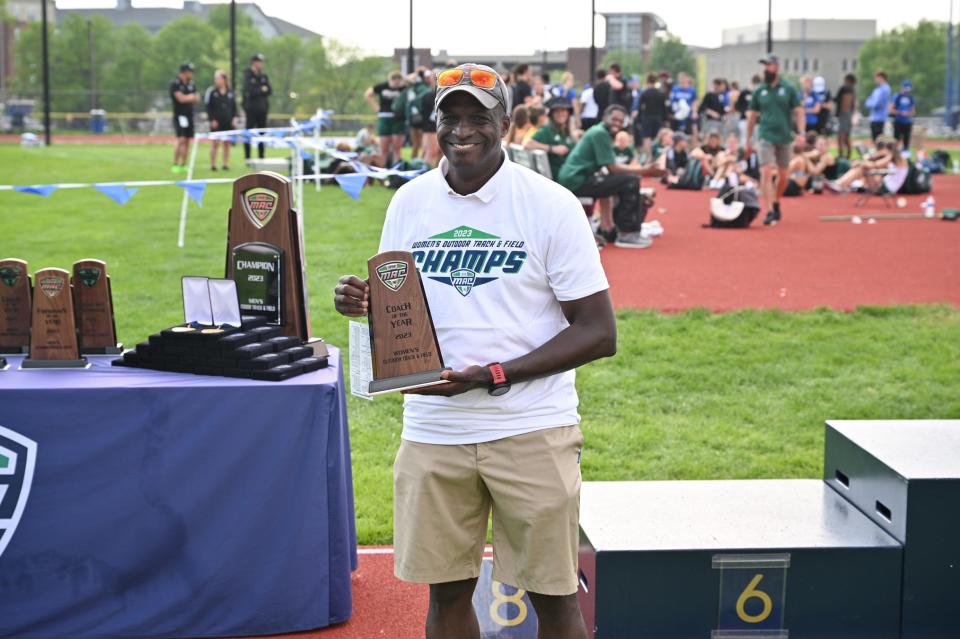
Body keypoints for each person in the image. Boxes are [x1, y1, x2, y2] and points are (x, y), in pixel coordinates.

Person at [333, 62, 616, 639]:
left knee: (556, 599)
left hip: (530, 426)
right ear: (435, 123)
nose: (463, 129)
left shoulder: (550, 204)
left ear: (506, 124)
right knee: (446, 599)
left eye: (478, 118)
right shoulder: (409, 202)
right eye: (451, 117)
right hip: (435, 427)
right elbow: (401, 304)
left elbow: (597, 331)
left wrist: (494, 374)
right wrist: (366, 305)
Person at [557, 105, 667, 249]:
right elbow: (612, 168)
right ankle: (627, 233)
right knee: (630, 181)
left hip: (576, 179)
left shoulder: (601, 132)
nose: (617, 123)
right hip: (576, 181)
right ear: (605, 118)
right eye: (614, 119)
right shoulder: (600, 133)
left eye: (621, 121)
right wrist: (646, 170)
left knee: (624, 180)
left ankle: (614, 229)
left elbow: (610, 168)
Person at [744, 53, 805, 226]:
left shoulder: (789, 88)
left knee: (783, 175)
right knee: (765, 171)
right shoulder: (759, 90)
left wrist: (801, 132)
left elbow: (799, 111)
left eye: (769, 65)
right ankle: (770, 209)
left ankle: (777, 201)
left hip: (784, 136)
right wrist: (748, 139)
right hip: (765, 135)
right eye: (764, 65)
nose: (766, 68)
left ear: (777, 67)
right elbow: (752, 116)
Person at [525, 96, 577, 179]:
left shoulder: (566, 131)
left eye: (563, 110)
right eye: (557, 111)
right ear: (552, 114)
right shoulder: (547, 129)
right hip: (561, 177)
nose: (560, 113)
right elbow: (527, 144)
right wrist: (552, 149)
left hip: (573, 172)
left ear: (568, 113)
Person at [365, 71, 406, 167]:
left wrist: (404, 80)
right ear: (390, 80)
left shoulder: (403, 88)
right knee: (384, 149)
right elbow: (368, 94)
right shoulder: (382, 87)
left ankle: (397, 172)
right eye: (394, 80)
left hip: (398, 119)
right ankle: (383, 174)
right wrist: (376, 108)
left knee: (397, 148)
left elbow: (412, 80)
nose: (396, 83)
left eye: (398, 80)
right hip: (384, 118)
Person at [204, 69, 238, 171]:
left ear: (224, 79)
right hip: (216, 122)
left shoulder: (230, 92)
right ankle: (213, 164)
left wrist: (234, 118)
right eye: (216, 78)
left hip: (227, 121)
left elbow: (234, 107)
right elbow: (208, 107)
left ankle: (225, 164)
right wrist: (212, 120)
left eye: (218, 78)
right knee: (215, 143)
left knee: (226, 143)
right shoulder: (212, 92)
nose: (217, 80)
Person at [169, 62, 200, 174]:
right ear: (184, 72)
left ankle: (184, 164)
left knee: (187, 140)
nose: (191, 74)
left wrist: (190, 97)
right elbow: (180, 99)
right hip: (180, 116)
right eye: (190, 71)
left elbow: (197, 99)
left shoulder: (192, 84)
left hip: (189, 115)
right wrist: (191, 97)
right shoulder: (175, 83)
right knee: (180, 139)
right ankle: (175, 163)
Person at [242, 53, 272, 160]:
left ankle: (261, 156)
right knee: (249, 133)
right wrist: (261, 89)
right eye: (259, 62)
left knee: (262, 133)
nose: (261, 64)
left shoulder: (263, 76)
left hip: (262, 109)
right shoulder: (248, 74)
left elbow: (269, 90)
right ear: (254, 62)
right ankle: (248, 157)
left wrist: (259, 90)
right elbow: (250, 91)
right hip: (251, 109)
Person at [637, 73, 667, 159]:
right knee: (658, 137)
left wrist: (639, 120)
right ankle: (657, 156)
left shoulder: (644, 93)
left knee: (647, 137)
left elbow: (640, 108)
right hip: (658, 118)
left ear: (647, 81)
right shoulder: (660, 94)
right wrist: (664, 120)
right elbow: (663, 108)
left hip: (647, 117)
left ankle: (649, 156)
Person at [419, 71, 441, 166]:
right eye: (435, 79)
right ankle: (424, 174)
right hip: (430, 127)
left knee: (441, 152)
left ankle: (439, 174)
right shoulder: (429, 95)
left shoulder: (441, 93)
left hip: (440, 125)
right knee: (431, 152)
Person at [864, 70, 891, 142]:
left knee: (880, 140)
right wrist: (872, 103)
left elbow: (878, 104)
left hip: (880, 118)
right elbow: (867, 102)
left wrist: (872, 103)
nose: (875, 80)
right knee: (874, 139)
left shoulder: (885, 89)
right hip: (874, 118)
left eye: (876, 78)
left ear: (881, 77)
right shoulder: (876, 90)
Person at [835, 74, 857, 159]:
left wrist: (843, 111)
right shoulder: (852, 90)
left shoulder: (845, 89)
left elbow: (846, 100)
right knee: (846, 137)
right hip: (848, 114)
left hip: (844, 114)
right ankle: (847, 156)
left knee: (841, 136)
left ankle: (842, 155)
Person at [891, 80, 916, 151]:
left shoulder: (910, 98)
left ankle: (905, 156)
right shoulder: (897, 97)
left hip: (907, 122)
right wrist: (900, 112)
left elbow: (913, 111)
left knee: (906, 143)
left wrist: (908, 113)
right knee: (895, 141)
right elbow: (891, 109)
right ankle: (895, 156)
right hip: (898, 121)